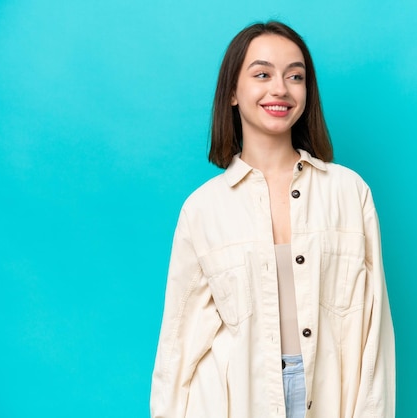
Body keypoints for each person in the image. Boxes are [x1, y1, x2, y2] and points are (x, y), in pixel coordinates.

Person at [150, 21, 395, 418]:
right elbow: (178, 345)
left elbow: (375, 327)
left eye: (294, 76)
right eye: (262, 74)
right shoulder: (202, 209)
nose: (279, 88)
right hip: (234, 401)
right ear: (232, 91)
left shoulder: (349, 193)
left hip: (331, 395)